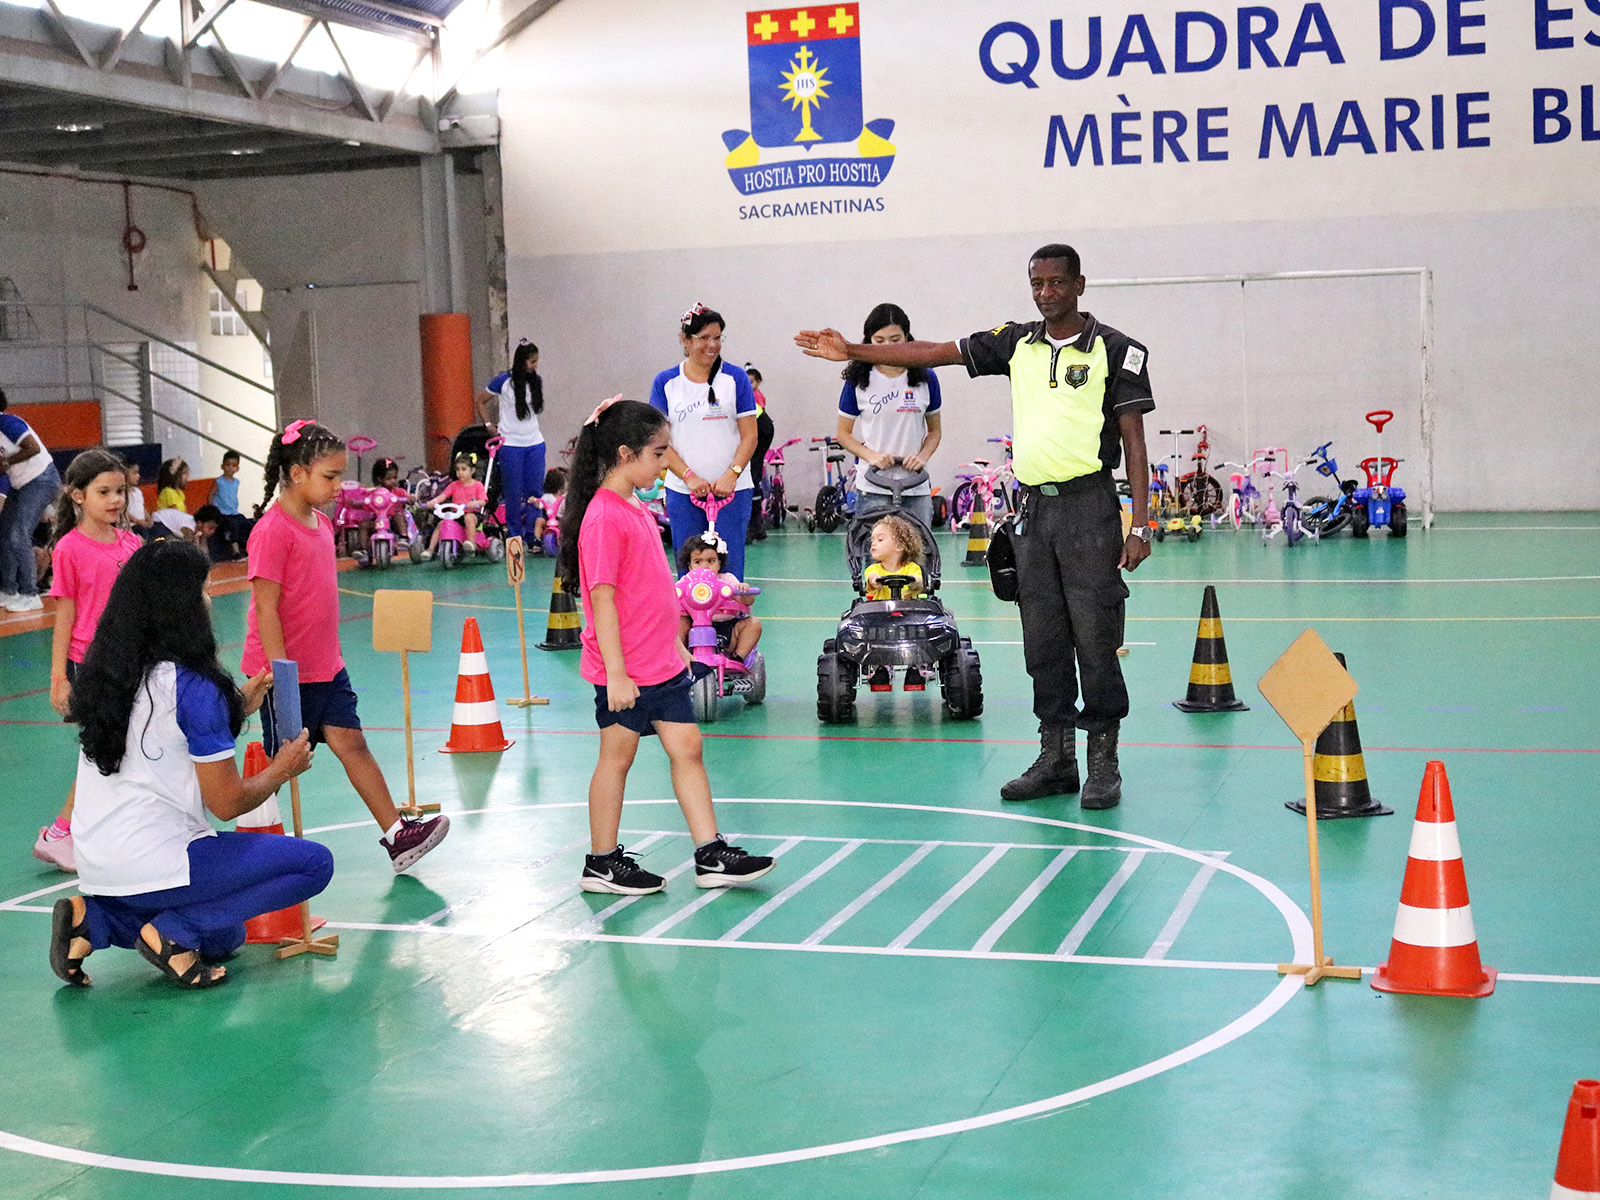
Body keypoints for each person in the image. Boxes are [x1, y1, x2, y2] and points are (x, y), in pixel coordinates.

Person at [797, 243, 1153, 809]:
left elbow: (1134, 441)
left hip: (1090, 510)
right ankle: (1056, 758)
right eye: (1037, 283)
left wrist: (1141, 524)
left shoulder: (1117, 350)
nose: (1046, 293)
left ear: (1080, 284)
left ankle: (1103, 762)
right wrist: (855, 351)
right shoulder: (1017, 342)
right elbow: (933, 352)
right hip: (1034, 511)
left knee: (1095, 637)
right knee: (1043, 639)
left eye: (1057, 283)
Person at [48, 539, 327, 989]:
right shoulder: (195, 687)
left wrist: (236, 705)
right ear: (181, 606)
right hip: (160, 860)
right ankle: (174, 933)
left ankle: (95, 920)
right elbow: (227, 803)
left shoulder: (109, 674)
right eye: (203, 590)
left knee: (227, 936)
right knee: (313, 865)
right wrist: (281, 768)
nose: (208, 600)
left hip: (97, 862)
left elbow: (164, 735)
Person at [559, 396, 776, 895]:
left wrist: (678, 651)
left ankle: (710, 854)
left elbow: (652, 590)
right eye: (658, 454)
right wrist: (616, 674)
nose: (665, 463)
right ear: (625, 454)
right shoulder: (603, 517)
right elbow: (603, 601)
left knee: (688, 747)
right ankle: (601, 863)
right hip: (627, 670)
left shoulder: (634, 507)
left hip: (659, 661)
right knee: (617, 758)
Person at [246, 419, 449, 870]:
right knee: (280, 766)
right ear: (296, 473)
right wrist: (280, 677)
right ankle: (250, 846)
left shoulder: (320, 524)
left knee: (353, 744)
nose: (339, 486)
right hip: (284, 677)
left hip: (327, 667)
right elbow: (266, 609)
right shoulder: (272, 531)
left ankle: (397, 835)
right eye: (330, 476)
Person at [34, 448, 143, 873]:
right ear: (78, 496)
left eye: (120, 491)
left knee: (126, 749)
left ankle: (100, 831)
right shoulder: (69, 549)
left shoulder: (132, 543)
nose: (116, 500)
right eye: (104, 492)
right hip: (93, 664)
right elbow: (65, 614)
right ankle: (60, 833)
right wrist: (59, 676)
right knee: (104, 751)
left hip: (133, 659)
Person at [650, 304, 759, 579]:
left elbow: (750, 436)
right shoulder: (666, 382)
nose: (712, 345)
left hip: (732, 492)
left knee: (729, 571)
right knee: (689, 571)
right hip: (683, 492)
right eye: (704, 338)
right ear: (685, 340)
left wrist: (732, 475)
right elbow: (659, 443)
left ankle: (730, 611)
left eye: (717, 338)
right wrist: (689, 477)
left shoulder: (735, 379)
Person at [834, 304, 944, 530]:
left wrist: (922, 457)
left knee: (918, 549)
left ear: (907, 337)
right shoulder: (858, 380)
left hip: (915, 487)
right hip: (873, 487)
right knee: (874, 549)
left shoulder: (926, 378)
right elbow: (843, 434)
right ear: (868, 341)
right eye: (879, 340)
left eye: (895, 340)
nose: (888, 347)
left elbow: (935, 431)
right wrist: (871, 456)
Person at [476, 340, 545, 546]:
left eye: (536, 361)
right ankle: (515, 536)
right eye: (532, 362)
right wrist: (489, 425)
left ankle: (533, 536)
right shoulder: (503, 381)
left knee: (534, 493)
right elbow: (480, 401)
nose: (535, 366)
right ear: (521, 361)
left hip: (535, 444)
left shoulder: (536, 381)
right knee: (513, 493)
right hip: (510, 445)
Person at [0, 385, 62, 612]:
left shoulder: (6, 422)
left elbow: (33, 448)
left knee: (19, 534)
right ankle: (9, 590)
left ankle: (30, 593)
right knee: (5, 533)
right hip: (21, 483)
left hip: (40, 478)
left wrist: (7, 463)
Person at [675, 530, 762, 662]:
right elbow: (673, 597)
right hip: (694, 627)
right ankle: (680, 658)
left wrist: (744, 591)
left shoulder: (727, 579)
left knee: (754, 623)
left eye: (711, 561)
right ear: (690, 566)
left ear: (719, 563)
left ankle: (738, 658)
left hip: (728, 627)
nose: (705, 566)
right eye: (698, 562)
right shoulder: (685, 582)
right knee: (679, 623)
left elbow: (747, 601)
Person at [421, 453, 487, 559]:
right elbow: (443, 496)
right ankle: (430, 549)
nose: (460, 472)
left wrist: (476, 503)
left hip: (472, 514)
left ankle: (470, 544)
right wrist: (434, 501)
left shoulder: (477, 485)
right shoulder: (454, 485)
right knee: (441, 524)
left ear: (472, 470)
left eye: (464, 469)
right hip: (456, 515)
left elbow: (483, 501)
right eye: (458, 469)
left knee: (469, 517)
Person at [744, 364, 775, 542]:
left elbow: (752, 416)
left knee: (751, 477)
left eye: (751, 382)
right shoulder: (751, 396)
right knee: (753, 478)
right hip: (761, 431)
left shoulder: (754, 398)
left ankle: (753, 525)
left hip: (761, 432)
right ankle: (757, 527)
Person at [207, 449, 250, 558]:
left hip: (233, 512)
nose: (230, 467)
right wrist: (212, 511)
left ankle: (247, 546)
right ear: (223, 466)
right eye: (228, 465)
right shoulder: (219, 482)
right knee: (232, 525)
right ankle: (235, 550)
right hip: (222, 513)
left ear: (237, 468)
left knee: (246, 523)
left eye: (233, 465)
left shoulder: (236, 482)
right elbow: (211, 495)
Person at [153, 458, 196, 539]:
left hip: (176, 526)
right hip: (167, 527)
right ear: (175, 476)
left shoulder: (179, 493)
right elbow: (175, 513)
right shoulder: (168, 492)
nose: (188, 476)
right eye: (185, 473)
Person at [533, 466, 567, 554]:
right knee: (539, 521)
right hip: (549, 519)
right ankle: (537, 542)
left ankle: (567, 542)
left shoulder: (564, 497)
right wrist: (535, 501)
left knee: (567, 524)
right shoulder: (547, 496)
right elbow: (540, 504)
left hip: (560, 519)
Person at [123, 462, 157, 540]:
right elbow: (123, 511)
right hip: (132, 525)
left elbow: (142, 507)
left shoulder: (138, 491)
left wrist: (148, 518)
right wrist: (137, 521)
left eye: (138, 473)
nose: (138, 476)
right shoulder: (123, 493)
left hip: (142, 524)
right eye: (134, 473)